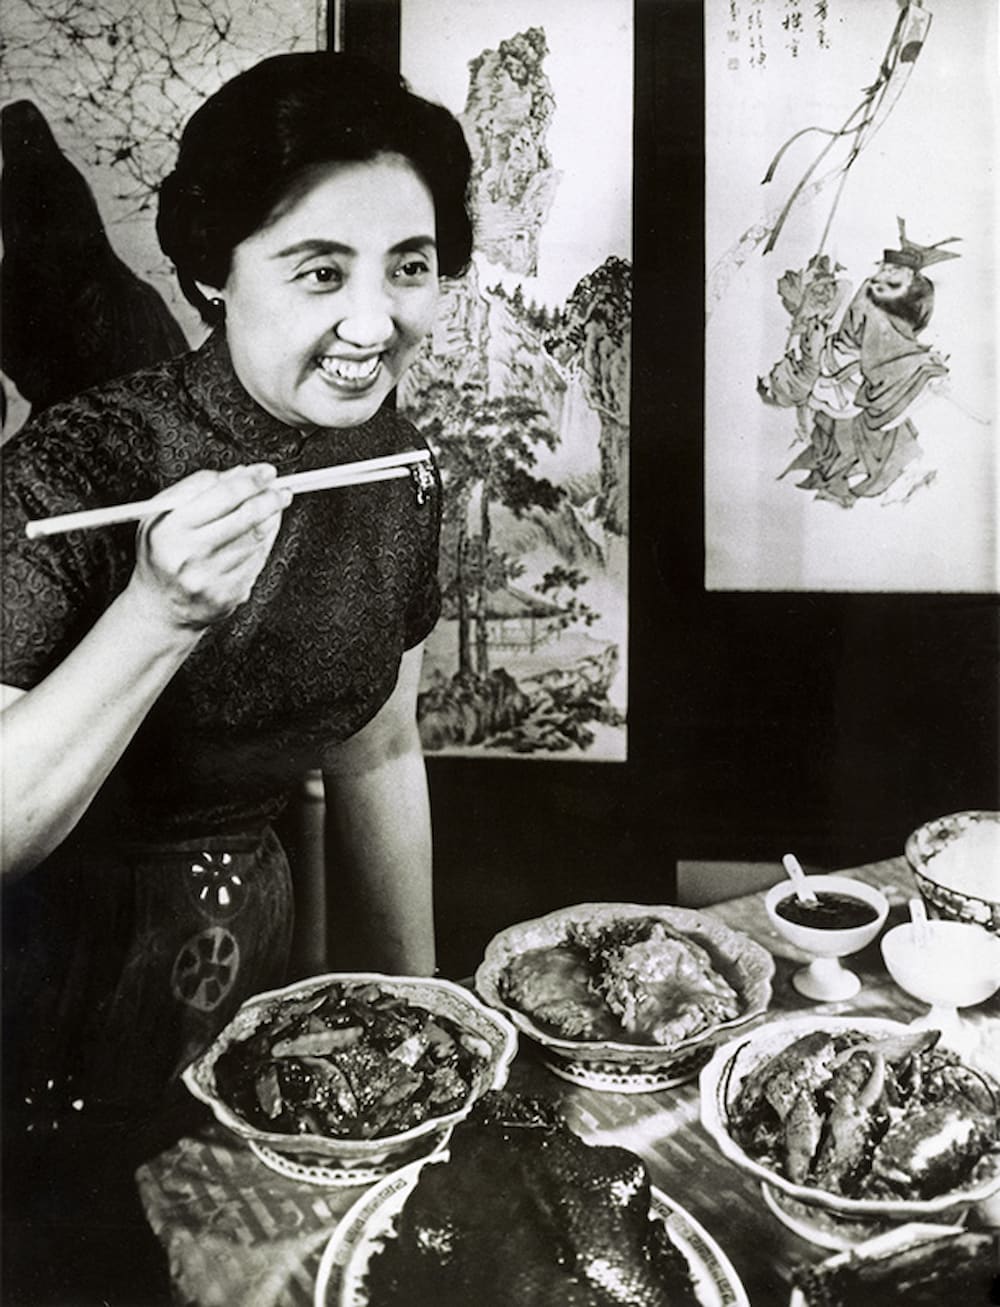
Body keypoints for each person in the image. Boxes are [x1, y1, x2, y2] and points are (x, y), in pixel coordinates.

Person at [0, 52, 472, 1304]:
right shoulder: (78, 459)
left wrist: (424, 1026)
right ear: (211, 268)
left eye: (409, 266)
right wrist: (158, 612)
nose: (375, 322)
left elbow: (379, 750)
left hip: (247, 970)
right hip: (41, 986)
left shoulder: (402, 470)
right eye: (320, 270)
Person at [760, 221, 958, 505]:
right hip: (841, 368)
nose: (883, 273)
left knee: (865, 429)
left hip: (846, 368)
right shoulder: (863, 295)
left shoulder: (879, 299)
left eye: (892, 271)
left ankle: (893, 472)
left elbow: (887, 333)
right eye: (884, 269)